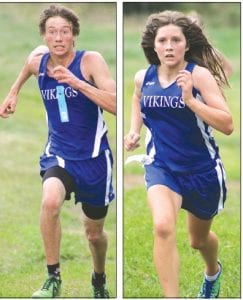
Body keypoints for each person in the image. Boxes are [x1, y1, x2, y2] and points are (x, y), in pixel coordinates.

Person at [0, 4, 116, 298]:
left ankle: (99, 279)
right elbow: (27, 66)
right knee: (50, 202)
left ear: (74, 35)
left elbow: (115, 104)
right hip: (59, 154)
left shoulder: (90, 61)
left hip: (94, 160)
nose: (58, 37)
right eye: (52, 32)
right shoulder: (38, 60)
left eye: (65, 31)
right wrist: (12, 93)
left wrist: (76, 82)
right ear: (44, 36)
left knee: (94, 234)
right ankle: (53, 278)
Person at [124, 10, 233, 298]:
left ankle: (213, 273)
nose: (169, 46)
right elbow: (137, 98)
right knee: (162, 226)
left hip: (201, 170)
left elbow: (227, 124)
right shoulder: (142, 77)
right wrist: (134, 129)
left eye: (176, 40)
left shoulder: (200, 76)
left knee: (198, 241)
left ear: (186, 45)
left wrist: (190, 101)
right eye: (163, 40)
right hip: (162, 166)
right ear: (154, 45)